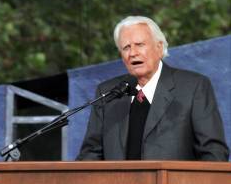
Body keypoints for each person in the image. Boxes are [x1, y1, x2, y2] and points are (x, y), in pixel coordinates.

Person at [77, 15, 229, 161]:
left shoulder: (193, 87)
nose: (133, 53)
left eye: (140, 45)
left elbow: (214, 152)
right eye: (126, 48)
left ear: (159, 47)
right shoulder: (108, 93)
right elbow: (90, 154)